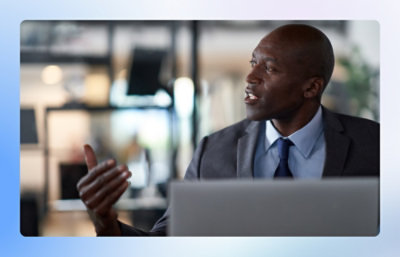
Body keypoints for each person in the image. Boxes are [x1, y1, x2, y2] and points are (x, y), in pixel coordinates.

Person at [76, 24, 379, 236]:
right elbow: (168, 239)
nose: (250, 77)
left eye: (269, 68)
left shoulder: (375, 145)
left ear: (311, 87)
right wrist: (105, 223)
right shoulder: (214, 150)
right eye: (252, 64)